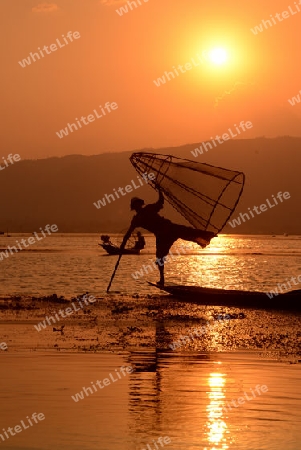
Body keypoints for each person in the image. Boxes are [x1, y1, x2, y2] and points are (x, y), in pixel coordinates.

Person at [121, 188, 216, 285]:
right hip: (161, 235)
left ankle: (209, 235)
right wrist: (122, 245)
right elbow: (128, 233)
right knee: (160, 257)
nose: (137, 206)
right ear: (134, 207)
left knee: (187, 231)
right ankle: (162, 279)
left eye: (138, 203)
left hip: (169, 227)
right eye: (135, 205)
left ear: (140, 204)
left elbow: (160, 202)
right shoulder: (136, 219)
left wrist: (160, 190)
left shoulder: (149, 208)